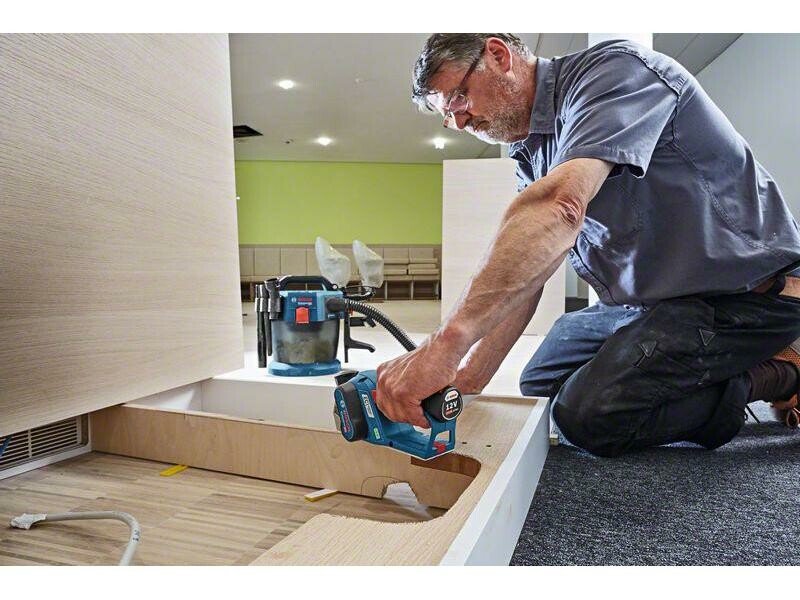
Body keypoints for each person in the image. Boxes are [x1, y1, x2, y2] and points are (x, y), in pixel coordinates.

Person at [375, 33, 800, 457]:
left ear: (499, 55)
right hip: (650, 304)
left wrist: (444, 344)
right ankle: (711, 365)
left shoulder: (615, 73)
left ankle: (779, 372)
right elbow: (531, 273)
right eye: (447, 116)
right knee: (540, 383)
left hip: (745, 295)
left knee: (587, 416)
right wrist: (467, 380)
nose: (459, 121)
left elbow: (561, 205)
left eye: (458, 98)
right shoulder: (531, 150)